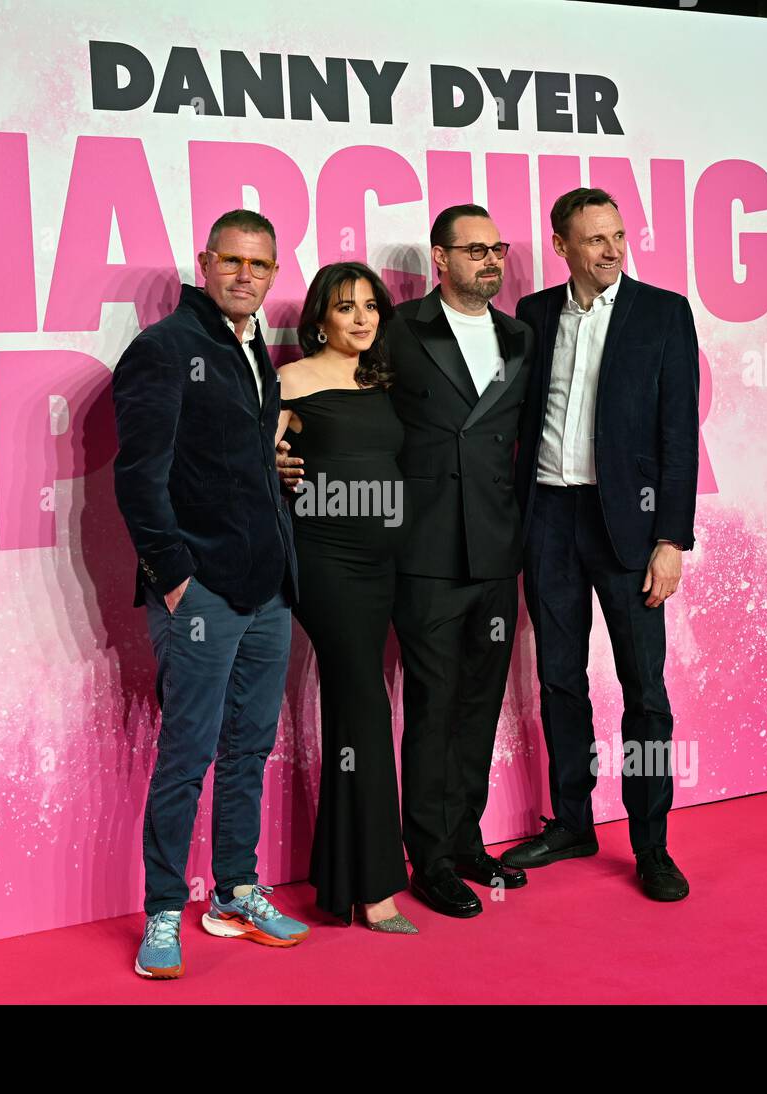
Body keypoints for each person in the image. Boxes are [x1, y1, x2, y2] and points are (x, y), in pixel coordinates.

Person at [283, 205, 534, 918]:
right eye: (475, 248)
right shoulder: (397, 330)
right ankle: (426, 857)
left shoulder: (521, 336)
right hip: (419, 550)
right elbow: (335, 415)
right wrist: (282, 460)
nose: (491, 260)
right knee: (432, 703)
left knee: (481, 703)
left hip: (495, 546)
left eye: (498, 248)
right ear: (440, 257)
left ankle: (464, 840)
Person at [111, 208, 310, 979]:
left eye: (261, 267)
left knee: (250, 748)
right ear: (205, 262)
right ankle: (164, 909)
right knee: (187, 754)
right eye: (234, 262)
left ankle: (234, 890)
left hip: (268, 593)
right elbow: (140, 476)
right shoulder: (164, 349)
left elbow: (238, 461)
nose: (247, 277)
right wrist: (174, 581)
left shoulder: (255, 348)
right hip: (200, 596)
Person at [502, 187, 700, 901]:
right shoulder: (533, 316)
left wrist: (671, 539)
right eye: (595, 239)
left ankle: (651, 845)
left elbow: (680, 436)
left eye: (618, 235)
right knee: (559, 679)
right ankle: (573, 821)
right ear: (562, 247)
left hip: (630, 526)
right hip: (549, 518)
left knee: (644, 692)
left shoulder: (663, 314)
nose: (613, 249)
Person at [276, 262, 416, 934]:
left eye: (370, 306)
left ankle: (343, 877)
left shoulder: (379, 382)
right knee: (364, 702)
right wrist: (273, 462)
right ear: (319, 318)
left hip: (383, 565)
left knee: (356, 710)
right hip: (326, 563)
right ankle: (377, 888)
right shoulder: (291, 382)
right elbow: (246, 464)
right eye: (344, 307)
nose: (361, 319)